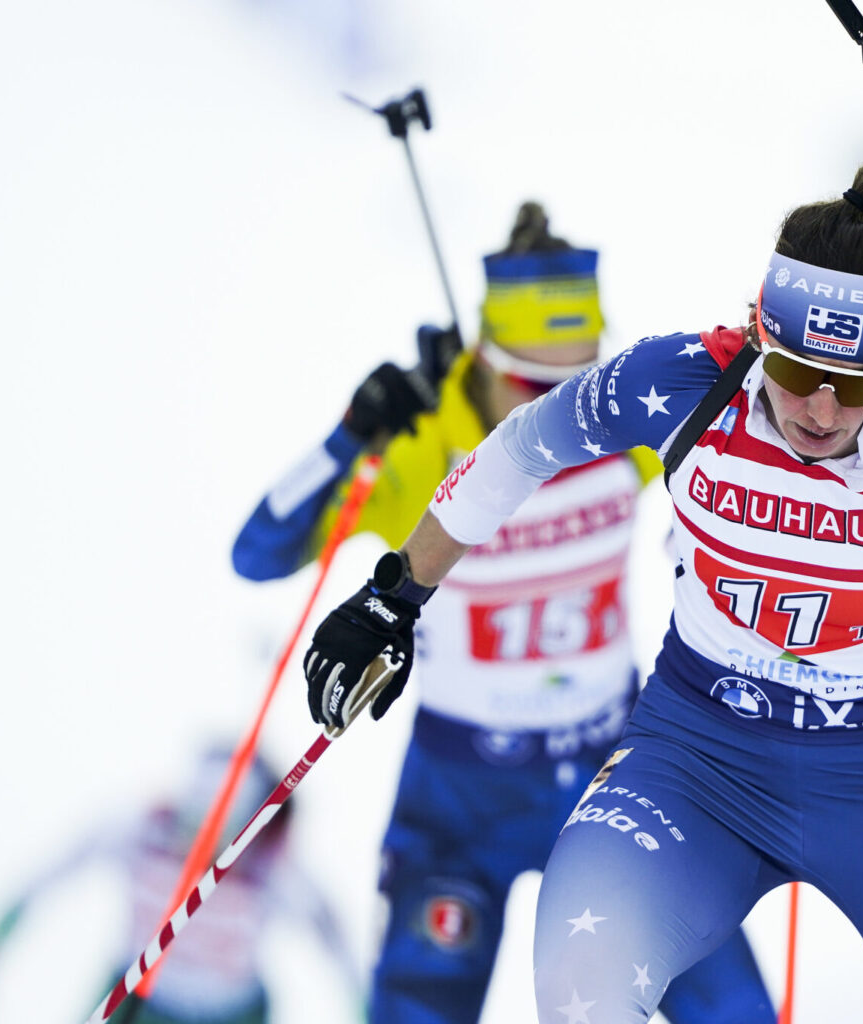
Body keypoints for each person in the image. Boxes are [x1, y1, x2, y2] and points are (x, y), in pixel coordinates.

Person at [298, 164, 863, 1024]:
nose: (821, 410)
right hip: (697, 765)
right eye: (799, 372)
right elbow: (526, 442)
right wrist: (395, 594)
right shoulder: (686, 385)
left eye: (859, 386)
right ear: (760, 330)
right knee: (581, 982)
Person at [233, 203, 773, 1024]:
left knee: (735, 1011)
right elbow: (259, 554)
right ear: (486, 361)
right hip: (461, 796)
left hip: (615, 774)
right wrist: (352, 435)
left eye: (580, 382)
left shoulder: (621, 426)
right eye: (533, 385)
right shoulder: (425, 451)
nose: (563, 412)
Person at [0, 748, 356, 1024]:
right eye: (196, 818)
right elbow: (45, 878)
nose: (202, 842)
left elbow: (334, 943)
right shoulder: (141, 832)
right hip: (136, 1002)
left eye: (225, 828)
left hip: (230, 1015)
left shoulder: (271, 868)